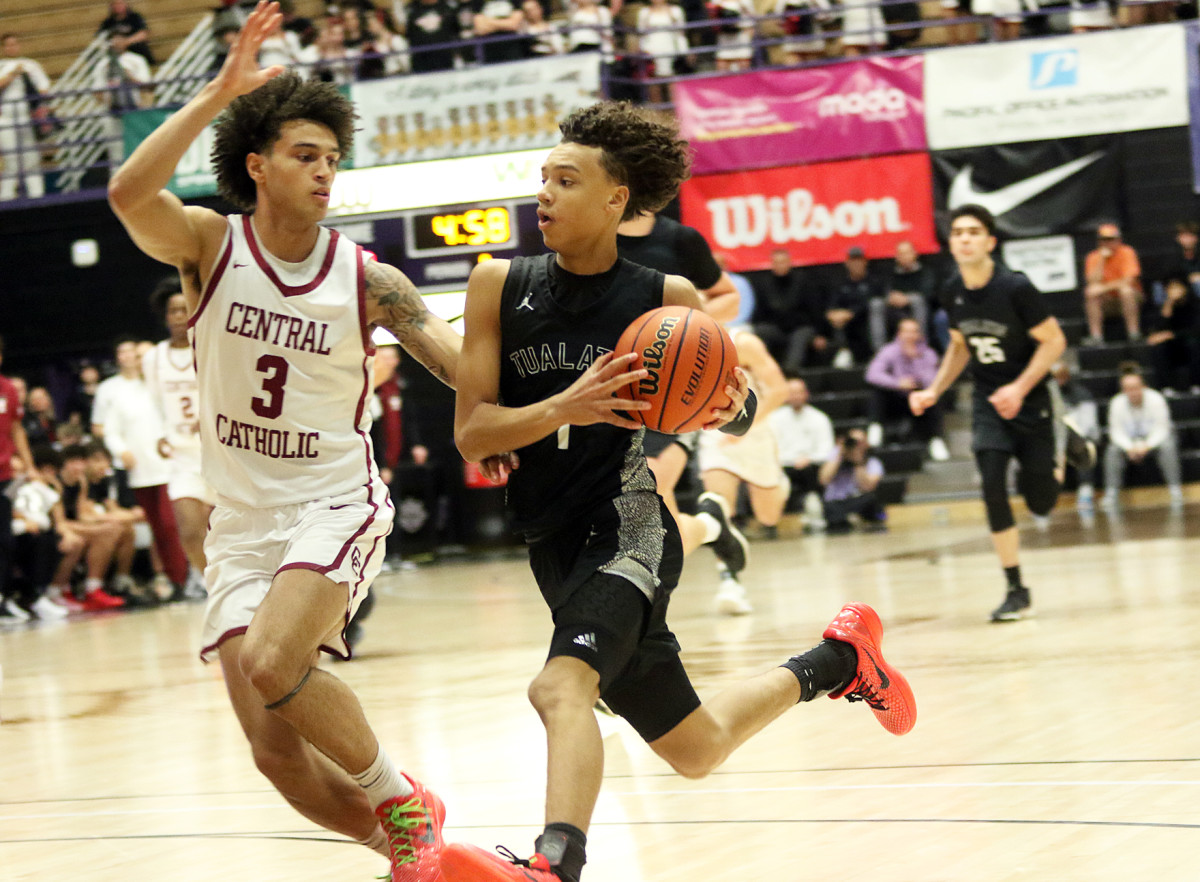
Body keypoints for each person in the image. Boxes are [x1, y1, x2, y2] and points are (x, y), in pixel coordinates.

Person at [442, 99, 916, 882]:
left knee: (560, 685)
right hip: (551, 541)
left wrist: (732, 403)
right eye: (543, 180)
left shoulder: (669, 300)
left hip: (628, 527)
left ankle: (553, 864)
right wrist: (565, 405)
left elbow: (737, 412)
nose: (545, 196)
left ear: (615, 198)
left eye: (566, 180)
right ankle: (837, 661)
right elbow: (473, 431)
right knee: (696, 748)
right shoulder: (499, 283)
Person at [107, 5, 463, 878]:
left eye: (333, 159)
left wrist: (565, 397)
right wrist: (220, 94)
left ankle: (400, 800)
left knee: (274, 661)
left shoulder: (367, 279)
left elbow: (462, 369)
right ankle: (417, 851)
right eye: (306, 155)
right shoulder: (208, 247)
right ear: (256, 165)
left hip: (334, 499)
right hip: (243, 525)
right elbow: (126, 196)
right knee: (277, 759)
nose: (325, 172)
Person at [910, 204, 1095, 623]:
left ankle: (1068, 442)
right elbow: (960, 345)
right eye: (958, 232)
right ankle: (1015, 587)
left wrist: (1020, 387)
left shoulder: (1015, 288)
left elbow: (1054, 342)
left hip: (1033, 400)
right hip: (988, 401)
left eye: (974, 231)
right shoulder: (952, 288)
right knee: (992, 484)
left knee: (1042, 504)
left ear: (991, 242)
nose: (964, 238)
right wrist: (934, 390)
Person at [615, 208, 750, 592]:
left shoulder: (679, 240)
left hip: (668, 390)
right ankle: (711, 526)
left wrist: (679, 330)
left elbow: (730, 298)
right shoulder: (589, 238)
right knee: (659, 535)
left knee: (650, 491)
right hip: (609, 387)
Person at [697, 328, 789, 612]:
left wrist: (744, 426)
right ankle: (730, 582)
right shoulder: (679, 341)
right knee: (718, 506)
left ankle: (780, 483)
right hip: (715, 436)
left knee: (768, 516)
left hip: (756, 433)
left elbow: (779, 391)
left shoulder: (743, 343)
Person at [92, 336, 190, 598]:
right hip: (140, 473)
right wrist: (121, 450)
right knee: (158, 529)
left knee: (173, 525)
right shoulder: (121, 393)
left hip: (171, 467)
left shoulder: (164, 387)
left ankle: (187, 577)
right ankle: (173, 581)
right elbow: (110, 430)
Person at [142, 277, 214, 601]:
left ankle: (238, 584)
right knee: (189, 530)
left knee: (224, 531)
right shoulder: (154, 357)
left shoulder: (209, 344)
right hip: (183, 456)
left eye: (185, 309)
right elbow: (153, 402)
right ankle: (212, 584)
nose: (179, 316)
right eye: (173, 310)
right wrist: (158, 434)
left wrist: (212, 414)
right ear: (165, 315)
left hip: (218, 452)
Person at [865, 317, 949, 461]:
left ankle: (936, 440)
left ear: (920, 335)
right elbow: (872, 374)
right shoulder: (888, 350)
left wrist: (916, 362)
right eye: (906, 331)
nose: (910, 335)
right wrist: (897, 383)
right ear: (899, 334)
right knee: (877, 392)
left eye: (914, 332)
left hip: (917, 400)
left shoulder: (928, 354)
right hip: (894, 400)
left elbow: (935, 381)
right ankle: (875, 427)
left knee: (932, 397)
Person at [1102, 367, 1184, 513]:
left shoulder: (1156, 399)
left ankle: (1175, 490)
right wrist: (1129, 447)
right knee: (1112, 450)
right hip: (1130, 445)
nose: (1132, 392)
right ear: (1123, 390)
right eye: (1127, 389)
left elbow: (1162, 429)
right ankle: (1111, 493)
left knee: (1168, 445)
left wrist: (1147, 445)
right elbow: (1115, 432)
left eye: (1135, 388)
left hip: (1154, 442)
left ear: (1143, 386)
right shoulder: (1116, 403)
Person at [8, 445, 71, 620]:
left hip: (33, 530)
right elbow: (7, 505)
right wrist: (23, 519)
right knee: (35, 543)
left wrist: (53, 484)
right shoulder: (9, 484)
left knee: (52, 541)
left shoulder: (34, 484)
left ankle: (39, 595)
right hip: (14, 529)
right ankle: (26, 596)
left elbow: (56, 507)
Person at [768, 376, 834, 530]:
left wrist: (809, 459)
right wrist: (788, 461)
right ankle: (770, 520)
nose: (795, 396)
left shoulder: (820, 418)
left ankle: (815, 510)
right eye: (791, 392)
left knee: (814, 471)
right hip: (783, 465)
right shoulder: (774, 418)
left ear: (806, 394)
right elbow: (771, 448)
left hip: (810, 466)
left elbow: (826, 449)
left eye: (799, 392)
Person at [0, 335, 34, 624]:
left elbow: (17, 429)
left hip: (4, 477)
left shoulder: (8, 388)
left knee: (6, 540)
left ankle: (3, 598)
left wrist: (29, 463)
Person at [751, 247, 828, 373]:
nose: (780, 265)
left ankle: (791, 372)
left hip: (801, 327)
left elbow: (815, 309)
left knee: (800, 336)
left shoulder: (803, 282)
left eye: (783, 262)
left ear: (789, 262)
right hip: (776, 329)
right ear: (772, 265)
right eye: (777, 262)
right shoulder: (764, 284)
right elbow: (759, 314)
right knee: (760, 331)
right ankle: (764, 372)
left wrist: (820, 334)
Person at [0, 33, 51, 201]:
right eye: (8, 45)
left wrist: (38, 107)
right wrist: (13, 73)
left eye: (15, 44)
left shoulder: (31, 65)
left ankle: (37, 195)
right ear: (3, 48)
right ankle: (7, 196)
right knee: (11, 159)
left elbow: (44, 88)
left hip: (27, 117)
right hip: (5, 118)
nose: (12, 48)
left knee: (31, 158)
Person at [94, 30, 153, 172]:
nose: (117, 43)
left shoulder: (136, 60)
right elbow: (97, 92)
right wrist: (108, 95)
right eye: (113, 40)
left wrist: (129, 77)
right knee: (116, 154)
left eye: (120, 39)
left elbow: (148, 87)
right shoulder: (103, 65)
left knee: (141, 149)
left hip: (135, 110)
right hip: (113, 112)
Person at [1083, 222, 1143, 345]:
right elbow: (1092, 282)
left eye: (1111, 240)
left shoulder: (1127, 252)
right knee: (1091, 293)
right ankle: (1096, 336)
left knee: (1126, 291)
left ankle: (1134, 333)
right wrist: (1101, 260)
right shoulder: (1093, 257)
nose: (1107, 243)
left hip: (1130, 298)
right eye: (1104, 240)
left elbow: (1129, 280)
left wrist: (1103, 288)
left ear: (1118, 240)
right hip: (1107, 301)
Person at [1052, 360, 1100, 513]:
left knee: (1081, 447)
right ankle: (1047, 496)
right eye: (1054, 378)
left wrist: (1068, 438)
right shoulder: (1048, 397)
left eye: (1060, 377)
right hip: (1056, 438)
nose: (1058, 382)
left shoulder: (1081, 394)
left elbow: (1088, 424)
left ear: (1067, 377)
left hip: (1080, 435)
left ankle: (1085, 491)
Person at [818, 428, 886, 532]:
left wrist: (857, 462)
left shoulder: (872, 462)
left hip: (858, 500)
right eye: (853, 442)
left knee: (872, 500)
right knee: (832, 510)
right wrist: (840, 454)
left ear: (866, 444)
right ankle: (848, 521)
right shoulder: (835, 456)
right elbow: (823, 479)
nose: (856, 445)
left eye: (860, 442)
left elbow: (868, 487)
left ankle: (855, 519)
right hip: (836, 502)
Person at [1146, 275, 1200, 395]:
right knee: (1158, 348)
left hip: (1190, 343)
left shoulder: (1195, 304)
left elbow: (1195, 330)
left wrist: (1172, 335)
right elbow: (1157, 329)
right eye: (1170, 288)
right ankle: (1166, 387)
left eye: (1177, 287)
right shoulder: (1164, 306)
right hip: (1173, 348)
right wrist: (1169, 303)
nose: (1174, 291)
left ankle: (1197, 384)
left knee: (1193, 345)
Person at [827, 245, 878, 366]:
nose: (856, 264)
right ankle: (843, 351)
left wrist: (851, 313)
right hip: (845, 324)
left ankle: (876, 355)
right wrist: (832, 313)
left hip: (867, 321)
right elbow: (833, 303)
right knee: (836, 321)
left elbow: (871, 302)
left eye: (859, 261)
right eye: (853, 261)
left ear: (865, 262)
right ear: (847, 263)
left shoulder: (874, 281)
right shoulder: (841, 283)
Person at [881, 239, 936, 351]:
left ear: (915, 254)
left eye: (907, 252)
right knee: (876, 304)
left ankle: (920, 345)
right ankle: (881, 350)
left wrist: (908, 299)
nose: (904, 256)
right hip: (896, 311)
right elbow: (885, 292)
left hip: (920, 310)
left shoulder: (926, 272)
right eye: (901, 254)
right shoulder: (891, 274)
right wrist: (891, 297)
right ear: (896, 257)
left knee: (917, 300)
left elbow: (929, 294)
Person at [405, 0, 462, 72]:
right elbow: (407, 34)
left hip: (446, 63)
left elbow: (456, 32)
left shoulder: (448, 7)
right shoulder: (410, 10)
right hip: (421, 65)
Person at [97, 1, 156, 66]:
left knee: (140, 47)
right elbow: (101, 37)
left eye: (120, 4)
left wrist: (126, 42)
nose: (117, 6)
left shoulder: (135, 17)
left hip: (134, 49)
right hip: (116, 52)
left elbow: (143, 34)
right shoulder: (108, 22)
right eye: (115, 4)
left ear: (125, 4)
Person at [472, 0, 528, 64]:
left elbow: (515, 25)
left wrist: (487, 22)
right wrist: (507, 23)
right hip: (489, 49)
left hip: (513, 46)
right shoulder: (478, 2)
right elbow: (480, 28)